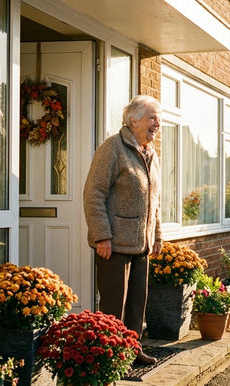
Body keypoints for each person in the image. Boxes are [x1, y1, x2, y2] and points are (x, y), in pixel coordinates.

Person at [83, 95, 163, 366]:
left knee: (136, 303)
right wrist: (101, 235)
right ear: (134, 120)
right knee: (113, 305)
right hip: (114, 245)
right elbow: (93, 193)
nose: (157, 123)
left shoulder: (151, 153)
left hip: (142, 244)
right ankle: (109, 357)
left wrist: (157, 235)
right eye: (152, 117)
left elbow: (155, 200)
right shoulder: (112, 148)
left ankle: (132, 350)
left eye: (158, 118)